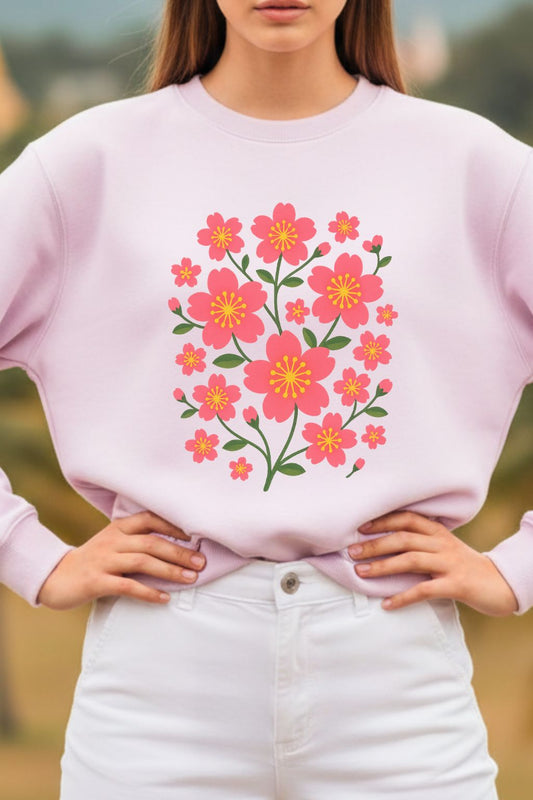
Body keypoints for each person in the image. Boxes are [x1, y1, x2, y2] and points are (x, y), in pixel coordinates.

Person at [0, 0, 532, 797]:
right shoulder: (82, 166)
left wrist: (516, 568)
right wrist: (30, 557)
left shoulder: (480, 170)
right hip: (155, 697)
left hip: (400, 699)